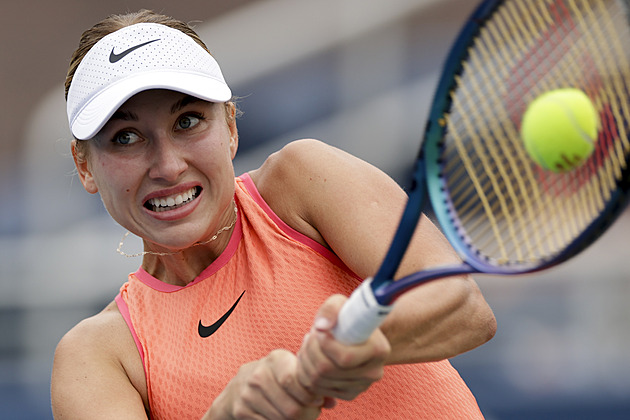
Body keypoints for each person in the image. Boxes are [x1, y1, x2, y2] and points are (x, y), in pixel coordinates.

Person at [51, 9, 497, 420]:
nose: (168, 166)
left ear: (230, 127)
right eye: (126, 138)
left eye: (187, 121)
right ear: (84, 166)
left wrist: (353, 349)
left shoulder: (302, 180)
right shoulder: (96, 355)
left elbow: (464, 308)